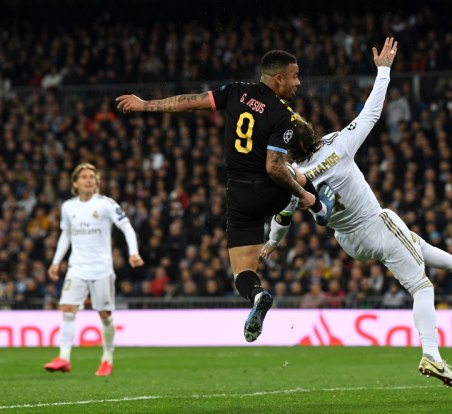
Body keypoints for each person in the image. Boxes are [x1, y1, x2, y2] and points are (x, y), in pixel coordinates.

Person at [261, 37, 452, 390]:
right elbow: (372, 113)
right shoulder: (338, 145)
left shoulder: (294, 178)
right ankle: (432, 355)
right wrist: (384, 71)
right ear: (311, 133)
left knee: (412, 241)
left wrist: (272, 243)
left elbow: (283, 217)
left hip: (349, 241)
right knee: (421, 285)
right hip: (374, 224)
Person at [116, 49, 333, 342]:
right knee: (293, 173)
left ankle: (257, 295)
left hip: (239, 194)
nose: (299, 83)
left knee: (242, 273)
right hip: (270, 192)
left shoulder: (235, 92)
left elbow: (190, 102)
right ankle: (319, 206)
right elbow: (273, 167)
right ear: (279, 78)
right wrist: (302, 194)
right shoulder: (283, 116)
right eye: (295, 77)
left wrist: (145, 105)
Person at [44, 163, 144, 376]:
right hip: (77, 268)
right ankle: (63, 358)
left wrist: (133, 252)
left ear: (97, 182)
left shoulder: (106, 204)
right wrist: (55, 262)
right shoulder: (68, 207)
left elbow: (126, 226)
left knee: (105, 315)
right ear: (75, 183)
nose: (89, 180)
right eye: (84, 177)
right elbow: (66, 235)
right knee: (67, 308)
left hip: (101, 269)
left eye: (92, 176)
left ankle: (107, 358)